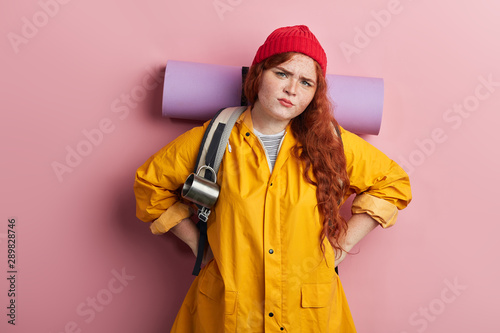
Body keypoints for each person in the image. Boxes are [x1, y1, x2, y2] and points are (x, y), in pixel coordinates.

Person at [134, 25, 412, 332]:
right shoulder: (213, 138)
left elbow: (393, 183)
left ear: (314, 94)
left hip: (308, 316)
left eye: (306, 82)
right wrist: (200, 245)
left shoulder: (332, 144)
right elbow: (149, 185)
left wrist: (341, 247)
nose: (292, 89)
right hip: (229, 314)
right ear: (258, 74)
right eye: (282, 73)